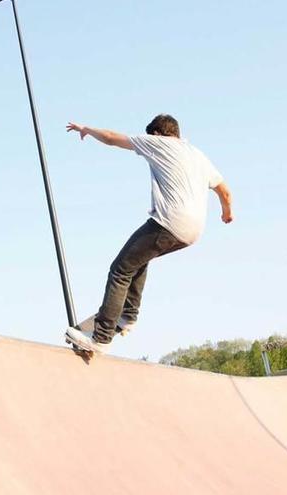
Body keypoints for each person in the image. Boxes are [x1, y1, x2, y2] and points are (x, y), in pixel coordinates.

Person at [64, 115, 233, 353]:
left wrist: (87, 130)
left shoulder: (158, 143)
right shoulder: (197, 154)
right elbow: (224, 192)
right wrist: (227, 212)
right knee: (140, 257)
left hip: (169, 222)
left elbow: (112, 138)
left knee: (120, 269)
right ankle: (128, 315)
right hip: (193, 231)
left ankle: (101, 336)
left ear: (156, 134)